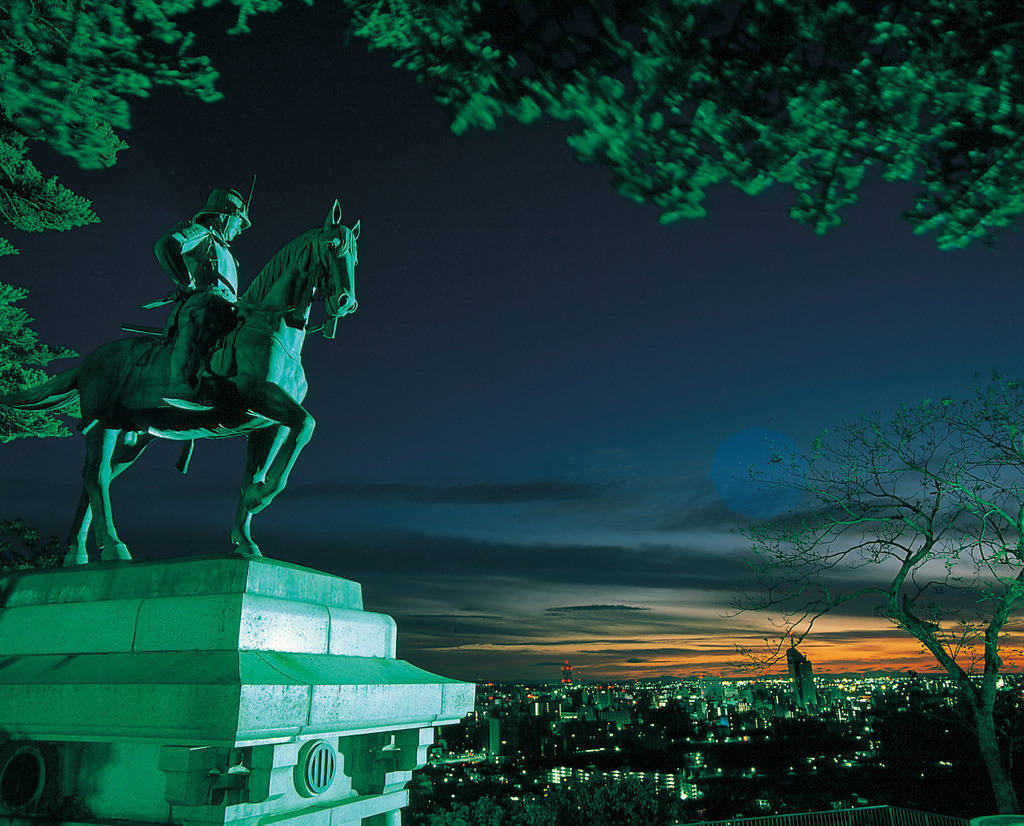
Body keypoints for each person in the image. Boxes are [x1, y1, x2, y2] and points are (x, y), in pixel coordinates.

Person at [153, 187, 250, 391]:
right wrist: (188, 283)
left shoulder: (230, 256)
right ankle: (180, 382)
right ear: (224, 216)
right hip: (204, 307)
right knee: (206, 314)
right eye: (239, 221)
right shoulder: (202, 234)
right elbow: (166, 246)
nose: (240, 230)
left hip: (228, 311)